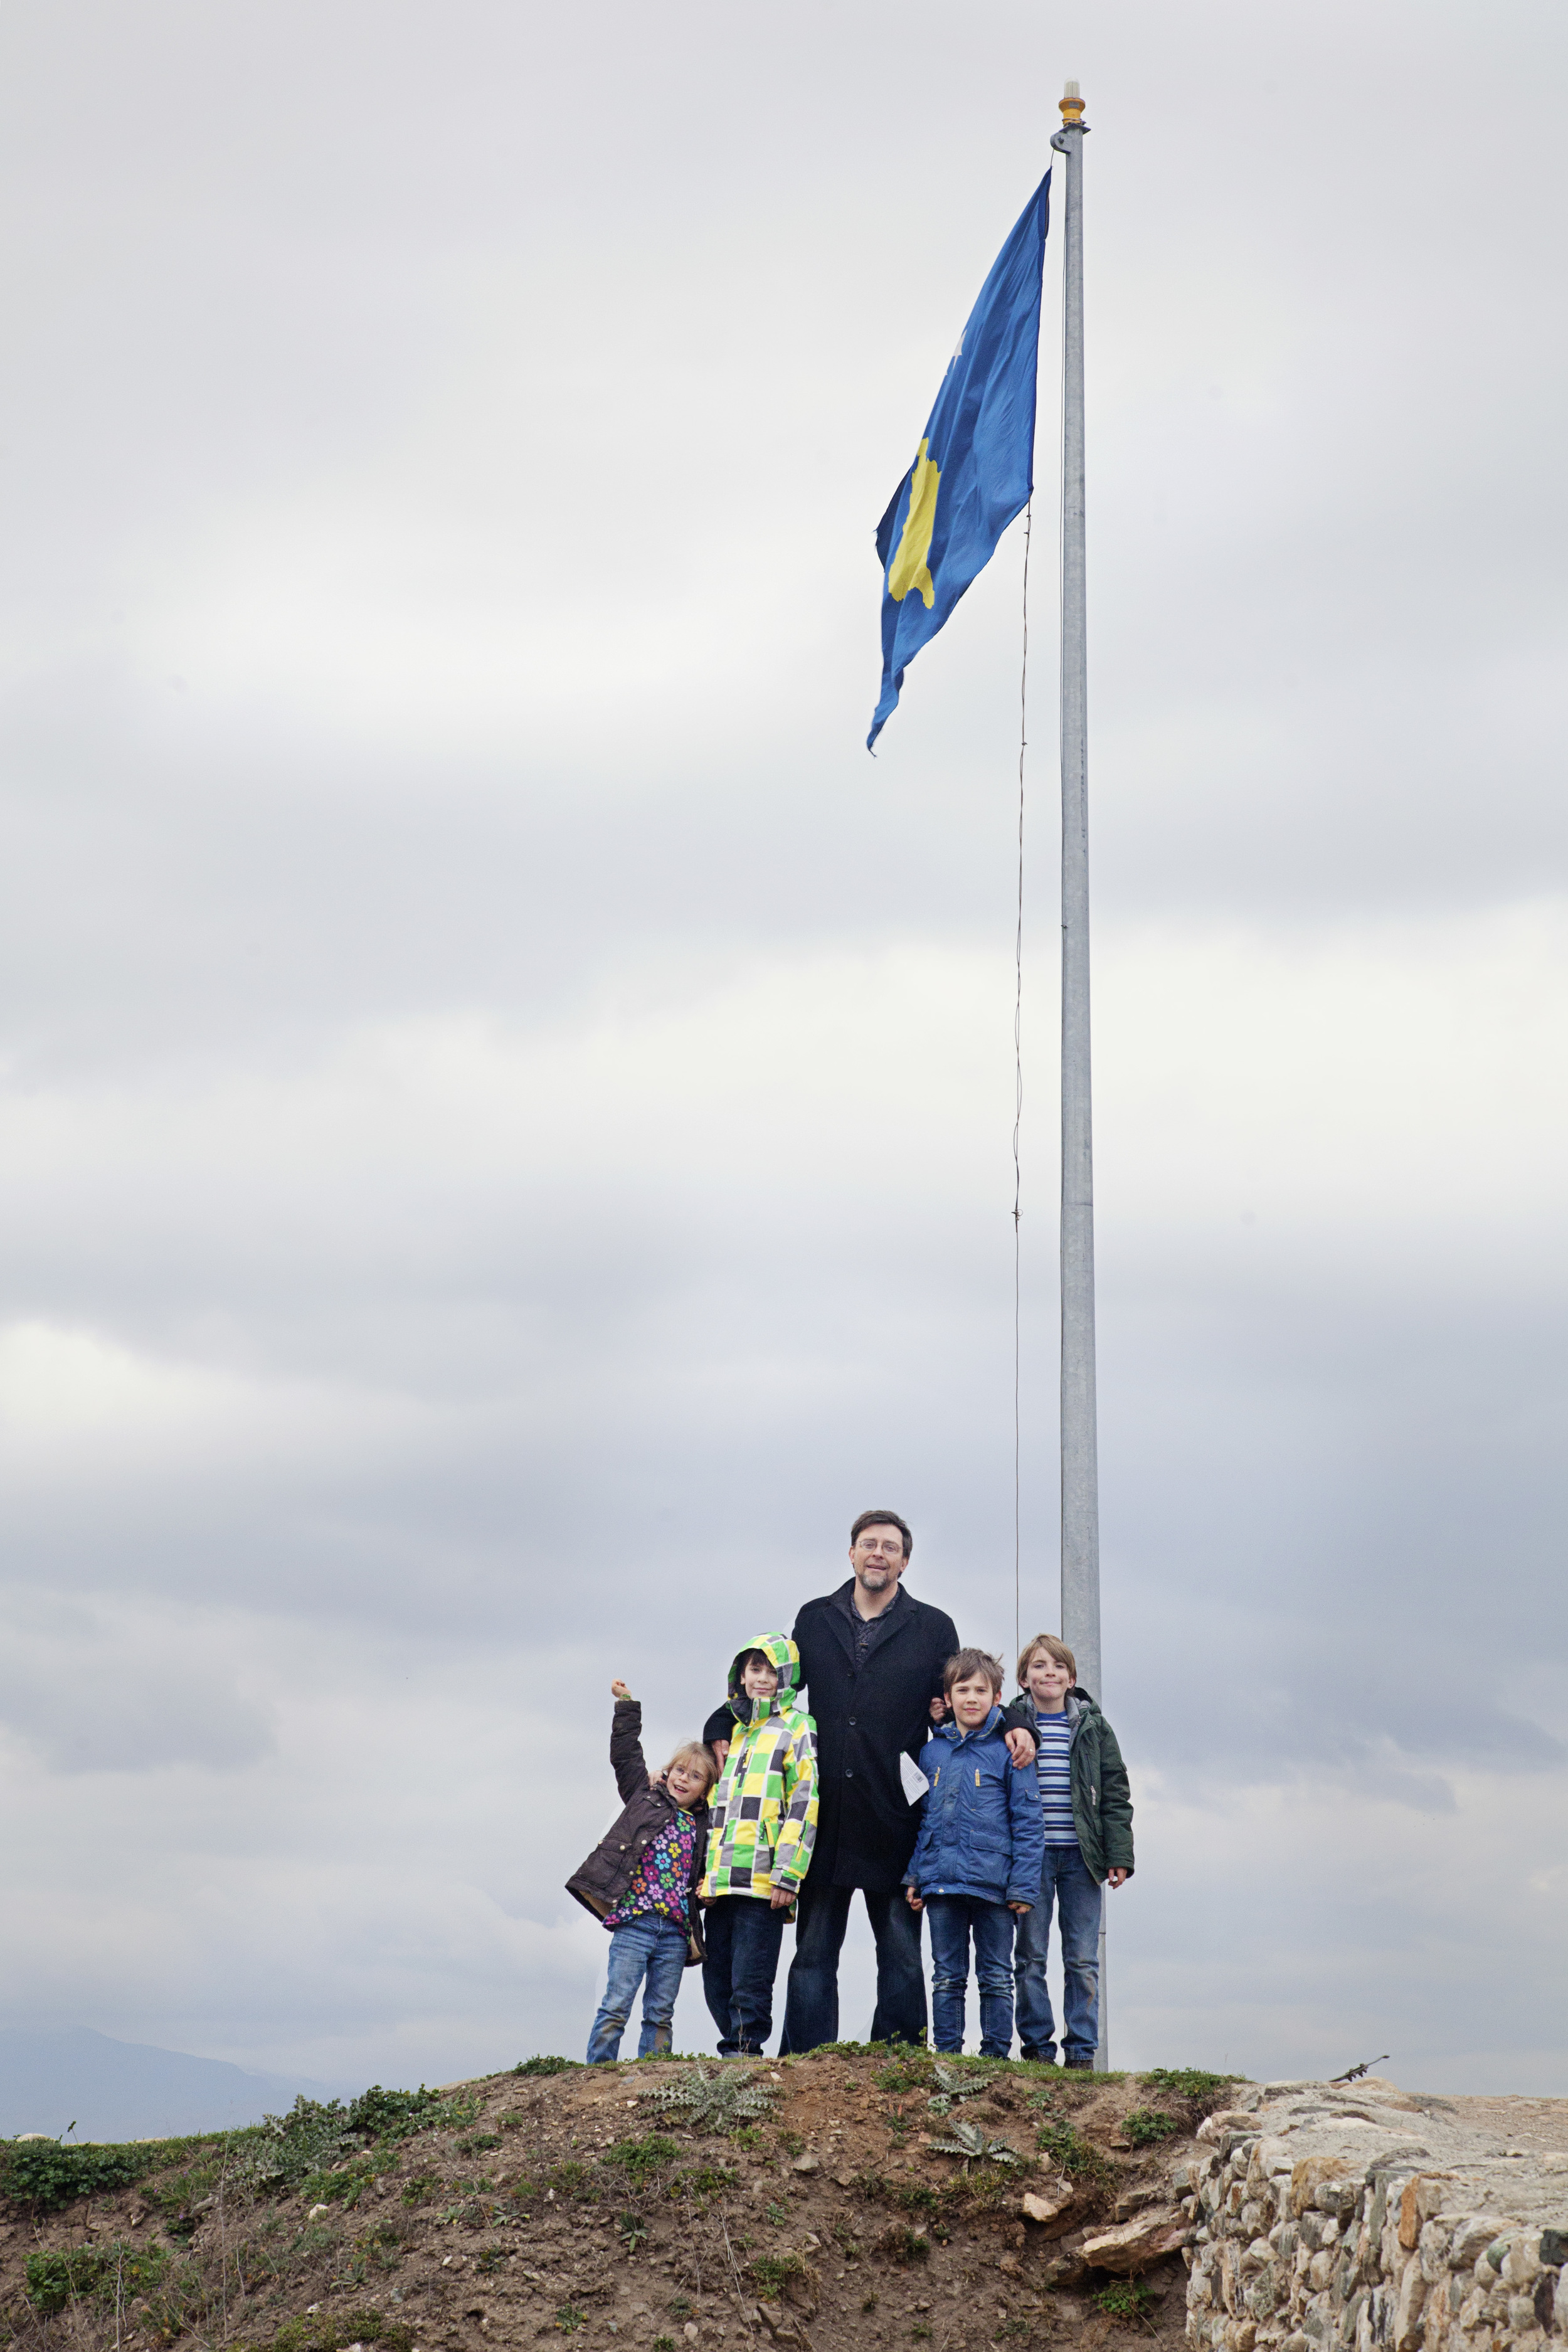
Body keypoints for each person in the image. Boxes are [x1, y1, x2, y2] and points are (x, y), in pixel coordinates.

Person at [706, 1510, 1037, 2053]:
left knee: (902, 1952)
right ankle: (806, 2060)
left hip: (895, 1811)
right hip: (825, 1811)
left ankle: (901, 2053)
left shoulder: (934, 1626)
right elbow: (776, 1684)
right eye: (868, 1544)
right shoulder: (814, 1619)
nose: (877, 1554)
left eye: (889, 1547)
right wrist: (722, 1720)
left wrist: (1018, 1724)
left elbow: (967, 1693)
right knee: (813, 1951)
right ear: (852, 1554)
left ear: (905, 1561)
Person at [567, 1679, 718, 2064]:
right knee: (616, 2006)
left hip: (674, 1931)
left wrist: (707, 1887)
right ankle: (597, 2077)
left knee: (661, 2014)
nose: (684, 1778)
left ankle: (652, 2081)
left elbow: (706, 1874)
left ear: (706, 1790)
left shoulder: (706, 1826)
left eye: (695, 1776)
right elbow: (626, 1756)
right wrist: (627, 1707)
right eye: (679, 1770)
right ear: (666, 1773)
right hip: (634, 1922)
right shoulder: (644, 1797)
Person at [904, 1648, 1045, 2057]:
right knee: (947, 1976)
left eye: (981, 1690)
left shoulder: (1012, 1751)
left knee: (997, 1976)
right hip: (942, 1886)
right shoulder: (932, 1753)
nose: (971, 1698)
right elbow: (926, 1820)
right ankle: (947, 2055)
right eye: (962, 1689)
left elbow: (1029, 1821)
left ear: (996, 1697)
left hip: (995, 1889)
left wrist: (1022, 1887)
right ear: (947, 1698)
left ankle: (996, 2055)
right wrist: (916, 1877)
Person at [1010, 1631, 1134, 2069]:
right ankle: (1038, 2050)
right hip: (1030, 1860)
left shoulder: (1093, 1726)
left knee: (1082, 1958)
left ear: (1072, 1677)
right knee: (1030, 1956)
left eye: (1058, 1666)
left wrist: (1119, 1854)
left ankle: (1081, 2051)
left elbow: (1116, 1792)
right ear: (1024, 1678)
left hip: (1083, 1858)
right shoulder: (1011, 1725)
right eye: (1040, 1666)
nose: (1050, 1673)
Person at [699, 1633, 818, 2057]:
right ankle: (730, 2047)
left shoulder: (799, 1727)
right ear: (741, 1675)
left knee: (751, 1977)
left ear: (787, 1677)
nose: (763, 1679)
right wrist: (705, 1875)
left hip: (764, 1878)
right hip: (720, 1878)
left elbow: (804, 1803)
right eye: (755, 1670)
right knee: (717, 1977)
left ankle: (745, 2053)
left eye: (773, 1671)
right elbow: (710, 1802)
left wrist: (789, 1874)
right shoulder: (729, 1730)